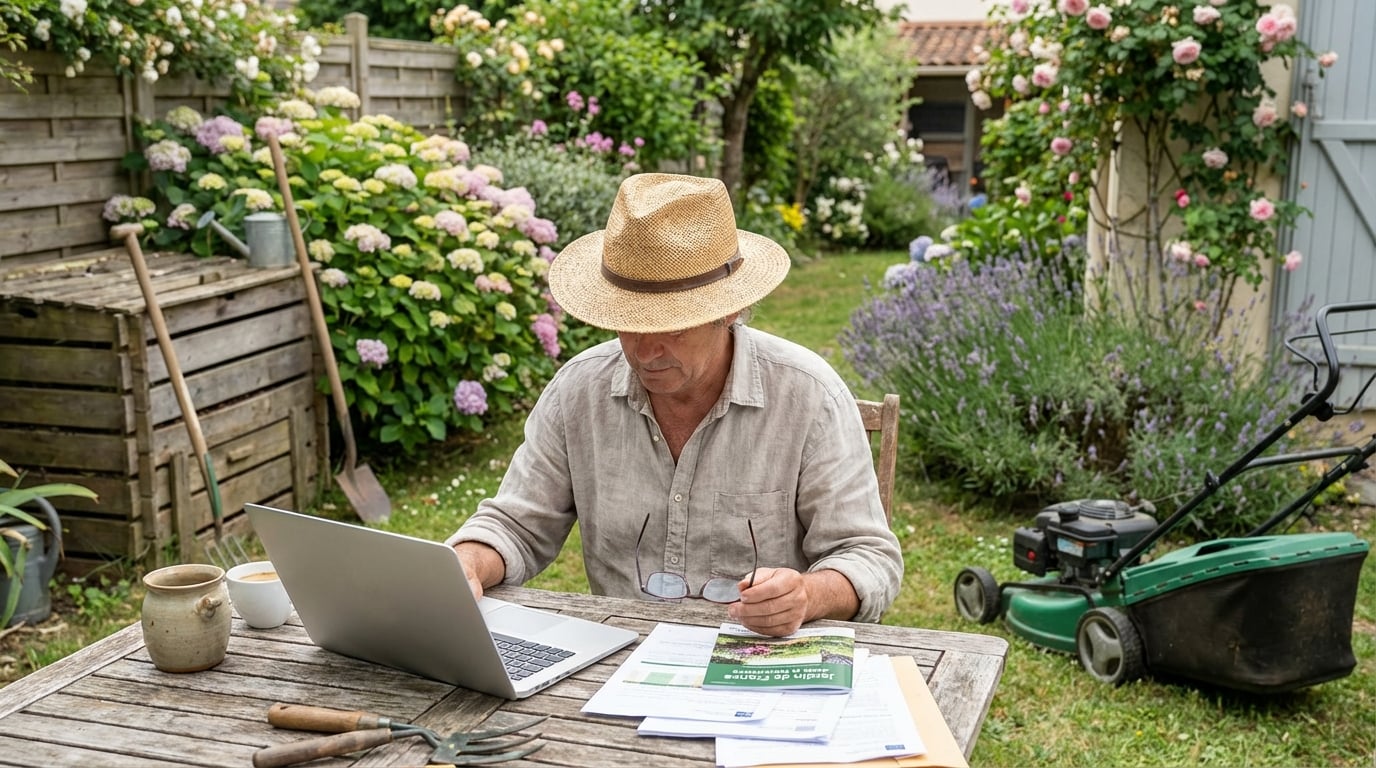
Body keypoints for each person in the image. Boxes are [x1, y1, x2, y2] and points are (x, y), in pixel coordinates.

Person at [448, 172, 903, 637]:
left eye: (673, 327)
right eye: (629, 324)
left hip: (760, 660)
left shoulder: (808, 397)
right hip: (617, 656)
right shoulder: (578, 391)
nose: (645, 353)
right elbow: (516, 525)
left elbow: (869, 557)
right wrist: (466, 564)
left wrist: (807, 595)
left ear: (728, 311)